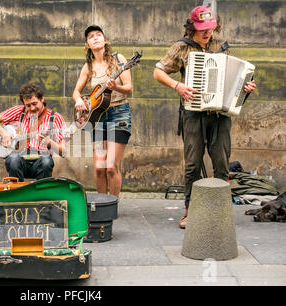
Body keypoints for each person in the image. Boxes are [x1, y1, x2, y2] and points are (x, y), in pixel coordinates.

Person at [153, 6, 257, 229]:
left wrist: (245, 87)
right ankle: (190, 210)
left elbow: (233, 81)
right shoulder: (181, 48)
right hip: (193, 114)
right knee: (192, 164)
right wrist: (177, 85)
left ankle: (220, 212)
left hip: (220, 115)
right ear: (191, 27)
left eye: (210, 29)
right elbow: (158, 71)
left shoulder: (221, 46)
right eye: (202, 29)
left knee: (221, 163)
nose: (207, 33)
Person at [73, 25, 133, 197]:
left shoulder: (118, 59)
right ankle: (102, 204)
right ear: (87, 45)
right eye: (91, 36)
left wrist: (117, 87)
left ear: (105, 40)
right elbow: (76, 91)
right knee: (100, 168)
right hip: (97, 118)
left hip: (119, 113)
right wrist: (78, 100)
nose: (95, 37)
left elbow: (129, 88)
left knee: (111, 166)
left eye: (99, 34)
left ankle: (112, 205)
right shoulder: (88, 67)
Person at [0, 83, 68, 181]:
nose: (32, 108)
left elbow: (63, 152)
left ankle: (42, 192)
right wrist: (4, 134)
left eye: (35, 103)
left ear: (42, 99)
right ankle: (17, 192)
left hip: (41, 162)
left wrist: (50, 143)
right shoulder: (18, 111)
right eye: (28, 105)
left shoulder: (55, 118)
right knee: (13, 158)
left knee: (46, 161)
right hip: (20, 160)